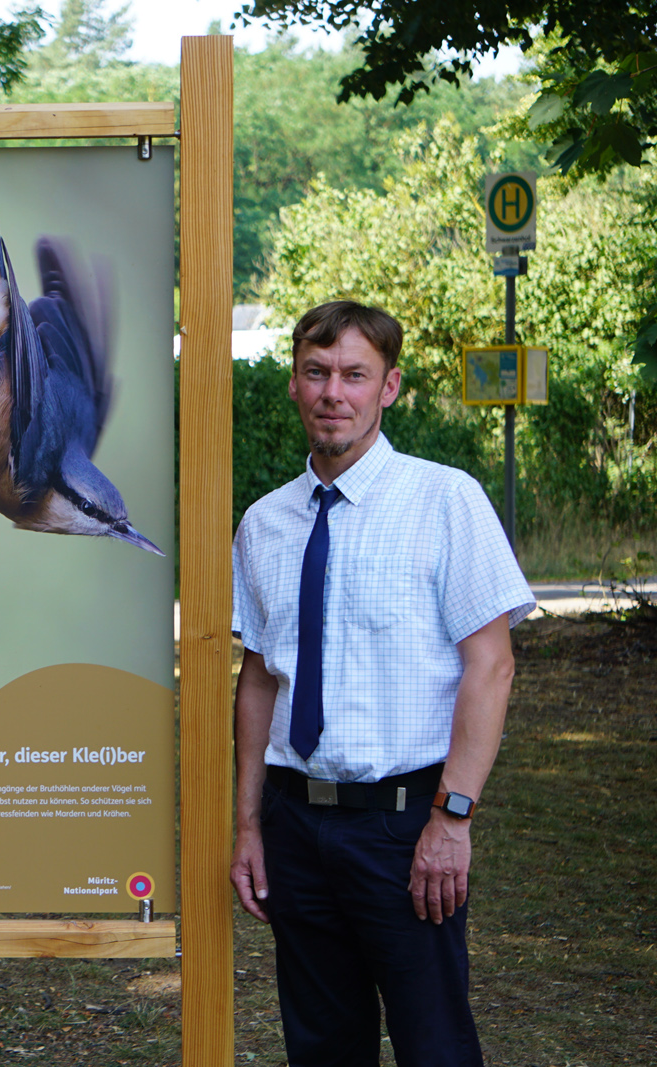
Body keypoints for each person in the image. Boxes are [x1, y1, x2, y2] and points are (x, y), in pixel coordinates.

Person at [229, 301, 535, 1067]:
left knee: (434, 1045)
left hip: (408, 828)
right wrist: (248, 825)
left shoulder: (445, 500)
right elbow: (261, 678)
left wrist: (452, 818)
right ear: (295, 386)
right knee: (322, 1047)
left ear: (389, 387)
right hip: (295, 824)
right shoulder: (264, 524)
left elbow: (491, 664)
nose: (334, 391)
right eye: (316, 372)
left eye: (354, 374)